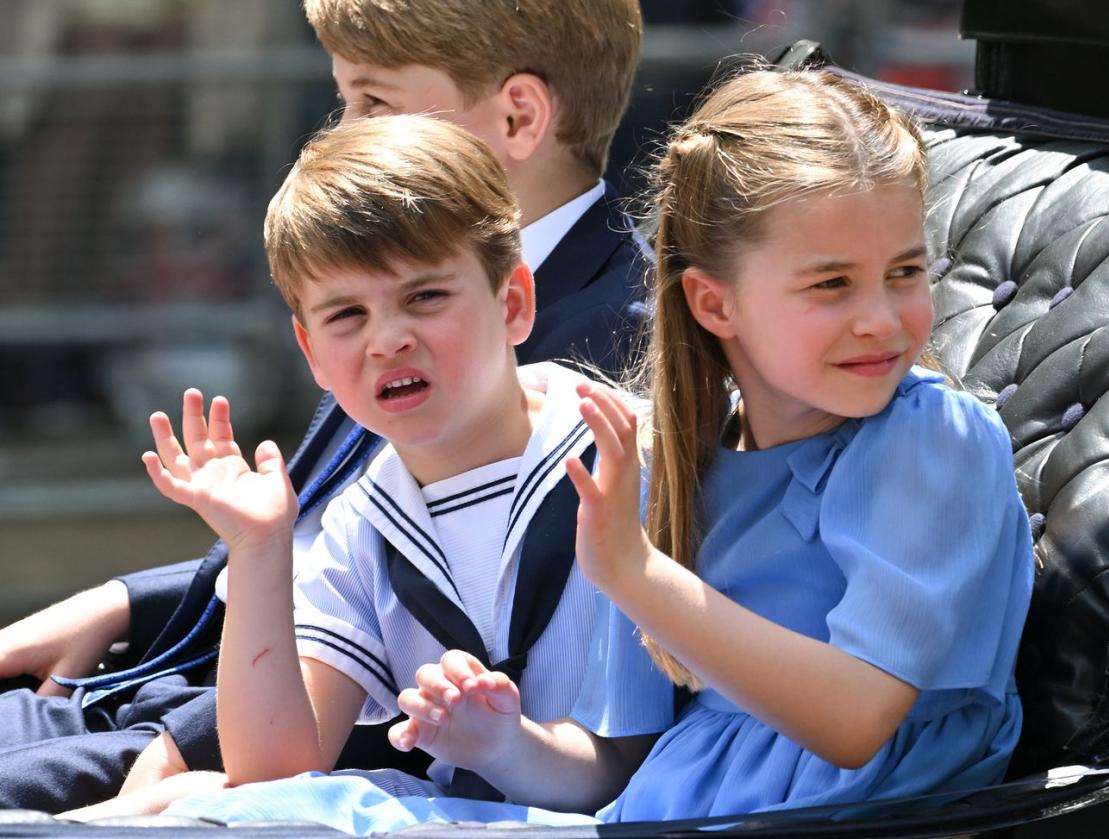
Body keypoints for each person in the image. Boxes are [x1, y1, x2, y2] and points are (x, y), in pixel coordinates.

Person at [161, 66, 1035, 833]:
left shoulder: (932, 438)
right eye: (833, 284)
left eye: (906, 273)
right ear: (715, 303)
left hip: (834, 817)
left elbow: (855, 720)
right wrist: (502, 745)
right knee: (246, 808)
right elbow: (608, 765)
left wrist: (634, 572)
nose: (882, 319)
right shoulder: (679, 462)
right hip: (658, 809)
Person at [0, 0, 646, 812]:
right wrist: (129, 597)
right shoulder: (378, 309)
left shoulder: (632, 361)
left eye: (372, 102)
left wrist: (176, 763)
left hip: (323, 758)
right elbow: (326, 538)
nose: (387, 337)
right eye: (345, 318)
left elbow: (628, 750)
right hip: (208, 690)